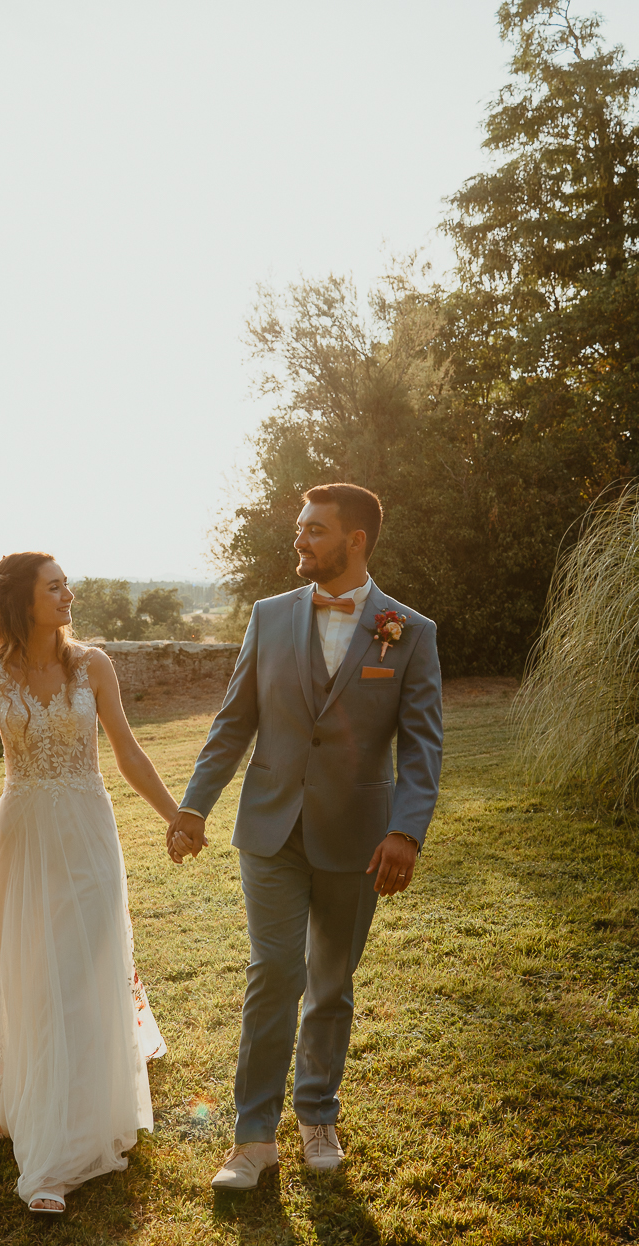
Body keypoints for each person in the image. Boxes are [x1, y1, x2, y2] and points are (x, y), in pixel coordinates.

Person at [166, 483, 443, 1190]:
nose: (300, 541)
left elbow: (420, 747)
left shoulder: (408, 630)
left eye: (314, 530)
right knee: (274, 972)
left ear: (355, 540)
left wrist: (405, 832)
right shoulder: (268, 616)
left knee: (329, 983)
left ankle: (317, 1112)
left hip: (358, 837)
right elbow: (233, 722)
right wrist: (193, 807)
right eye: (300, 528)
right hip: (268, 827)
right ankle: (252, 1138)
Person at [0, 551, 184, 1215]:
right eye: (54, 586)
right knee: (39, 974)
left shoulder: (93, 664)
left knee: (86, 963)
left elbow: (126, 749)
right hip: (22, 836)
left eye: (65, 583)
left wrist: (175, 815)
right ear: (22, 602)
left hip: (87, 828)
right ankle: (46, 1157)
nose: (68, 593)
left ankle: (82, 1115)